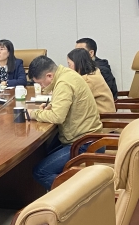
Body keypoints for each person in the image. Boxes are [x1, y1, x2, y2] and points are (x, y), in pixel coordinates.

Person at [27, 56, 102, 190]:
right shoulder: (66, 74)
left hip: (84, 143)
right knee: (43, 154)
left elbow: (57, 117)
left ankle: (79, 195)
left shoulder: (63, 83)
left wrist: (33, 113)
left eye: (41, 83)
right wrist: (50, 107)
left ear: (49, 76)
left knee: (41, 172)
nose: (42, 87)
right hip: (85, 137)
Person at [67, 48, 115, 113]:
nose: (68, 68)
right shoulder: (93, 73)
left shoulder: (88, 80)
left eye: (69, 64)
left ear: (78, 63)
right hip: (100, 113)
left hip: (103, 116)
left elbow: (71, 98)